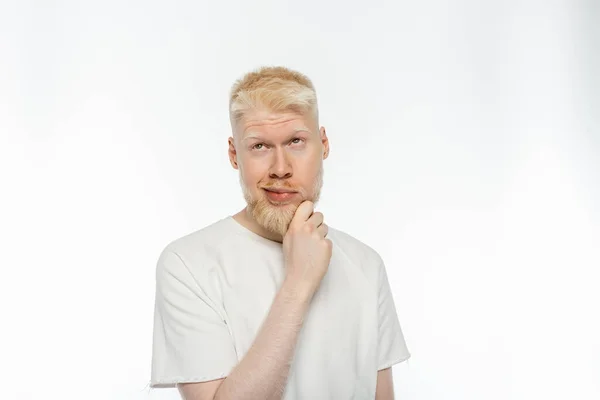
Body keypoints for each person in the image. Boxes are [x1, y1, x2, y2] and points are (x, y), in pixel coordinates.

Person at [149, 66, 411, 400]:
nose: (281, 168)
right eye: (259, 146)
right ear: (234, 154)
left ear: (324, 144)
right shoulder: (189, 264)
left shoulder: (366, 264)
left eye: (296, 141)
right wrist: (298, 283)